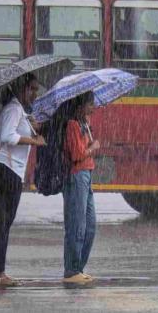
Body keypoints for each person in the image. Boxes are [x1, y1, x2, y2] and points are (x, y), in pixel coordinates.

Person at [0, 73, 46, 287]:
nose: (35, 93)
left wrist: (31, 125)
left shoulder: (18, 110)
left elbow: (14, 129)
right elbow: (7, 136)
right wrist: (34, 141)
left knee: (3, 222)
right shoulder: (13, 108)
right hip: (8, 170)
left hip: (9, 169)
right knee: (3, 222)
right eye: (32, 88)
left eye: (36, 89)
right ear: (21, 89)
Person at [62, 91, 100, 284]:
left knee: (90, 225)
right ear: (80, 106)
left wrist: (91, 144)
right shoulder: (73, 125)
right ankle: (71, 270)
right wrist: (92, 148)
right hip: (76, 176)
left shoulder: (84, 124)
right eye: (90, 104)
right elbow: (77, 155)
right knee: (77, 224)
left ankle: (79, 268)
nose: (92, 108)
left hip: (87, 174)